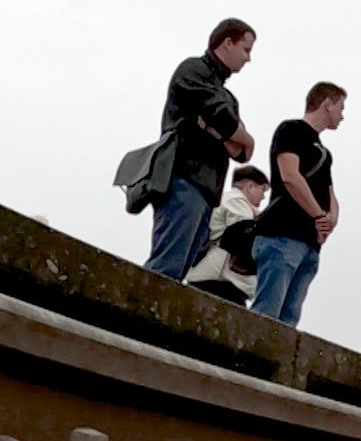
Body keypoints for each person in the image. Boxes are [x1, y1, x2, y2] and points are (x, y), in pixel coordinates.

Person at [146, 19, 256, 279]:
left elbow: (242, 152)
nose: (248, 59)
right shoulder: (193, 70)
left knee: (179, 267)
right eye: (246, 49)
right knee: (167, 265)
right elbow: (227, 123)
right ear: (228, 42)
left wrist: (236, 136)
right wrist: (239, 136)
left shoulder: (226, 95)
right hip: (184, 178)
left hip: (207, 191)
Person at [251, 82, 347, 326]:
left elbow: (330, 192)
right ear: (327, 103)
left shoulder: (324, 153)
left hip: (310, 243)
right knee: (267, 312)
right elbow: (290, 176)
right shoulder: (291, 130)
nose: (342, 116)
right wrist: (319, 216)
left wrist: (331, 220)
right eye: (340, 107)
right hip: (282, 234)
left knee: (289, 317)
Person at [183, 165, 268, 306]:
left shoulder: (224, 199)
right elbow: (245, 233)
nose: (264, 196)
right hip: (220, 282)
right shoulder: (236, 199)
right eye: (263, 189)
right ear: (250, 187)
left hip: (209, 277)